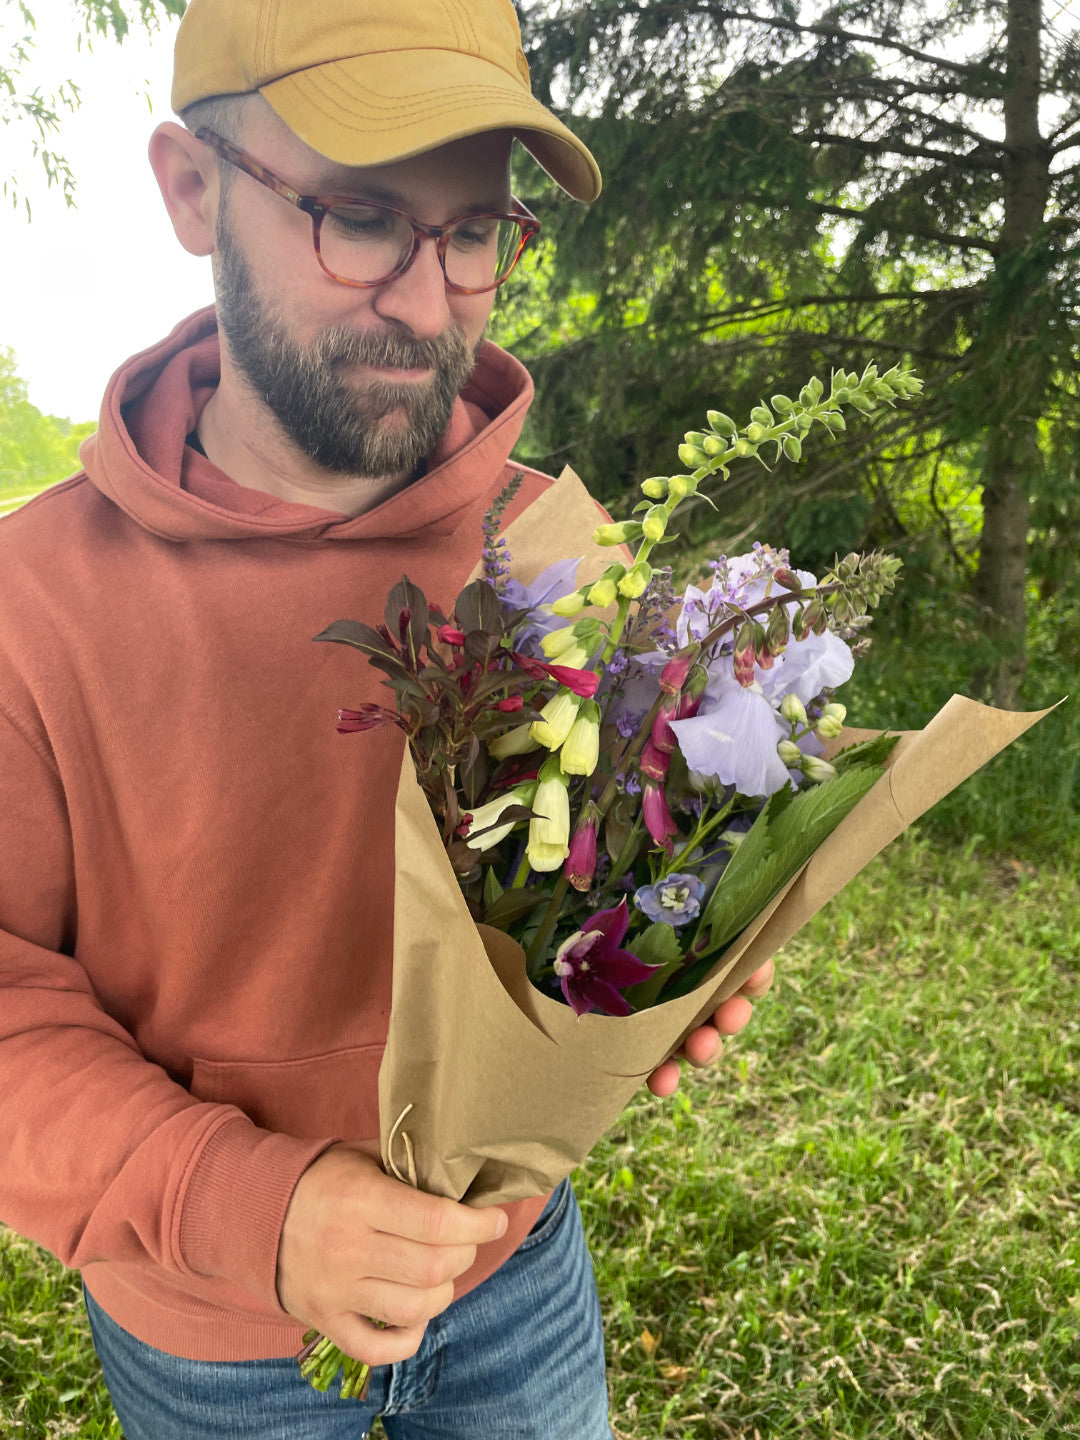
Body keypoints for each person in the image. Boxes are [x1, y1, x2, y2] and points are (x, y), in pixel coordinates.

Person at [0, 1, 774, 1436]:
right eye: (358, 216)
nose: (428, 305)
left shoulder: (560, 555)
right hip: (210, 1342)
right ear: (190, 187)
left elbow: (598, 882)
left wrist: (654, 972)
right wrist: (258, 1211)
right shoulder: (30, 606)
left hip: (514, 1285)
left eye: (471, 231)